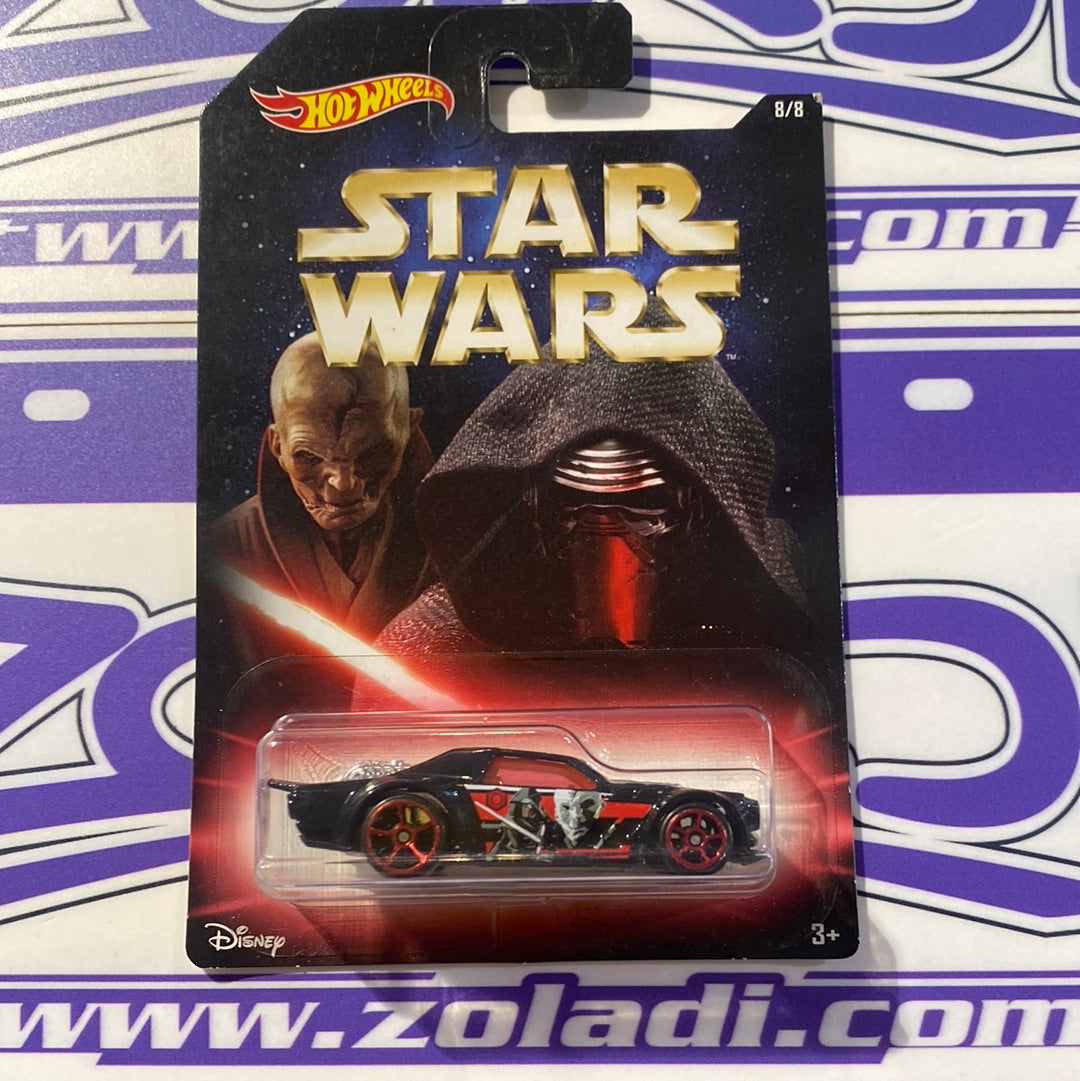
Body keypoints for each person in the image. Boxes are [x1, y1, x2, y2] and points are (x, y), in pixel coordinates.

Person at [211, 333, 433, 674]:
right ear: (277, 446)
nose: (342, 486)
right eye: (309, 457)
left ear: (409, 428)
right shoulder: (223, 550)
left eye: (373, 452)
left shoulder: (459, 540)